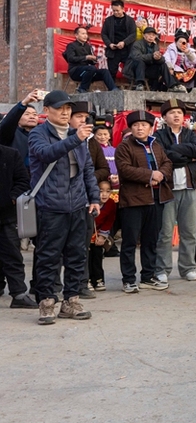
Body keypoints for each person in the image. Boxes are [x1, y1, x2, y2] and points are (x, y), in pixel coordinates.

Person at [27, 90, 100, 325]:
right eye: (60, 108)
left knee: (77, 255)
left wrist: (94, 197)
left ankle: (71, 301)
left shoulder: (76, 135)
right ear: (46, 111)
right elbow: (46, 155)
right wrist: (75, 139)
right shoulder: (38, 134)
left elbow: (87, 169)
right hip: (50, 206)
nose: (66, 112)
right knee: (48, 257)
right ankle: (47, 303)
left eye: (68, 108)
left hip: (77, 205)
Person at [115, 110, 172, 294]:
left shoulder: (156, 145)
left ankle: (147, 276)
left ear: (150, 127)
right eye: (136, 125)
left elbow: (167, 163)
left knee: (151, 240)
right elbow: (124, 169)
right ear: (131, 128)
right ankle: (129, 279)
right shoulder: (124, 147)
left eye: (144, 125)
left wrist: (161, 174)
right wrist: (150, 175)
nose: (140, 128)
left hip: (156, 199)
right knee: (130, 241)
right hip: (133, 200)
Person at [154, 99, 196, 282]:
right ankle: (162, 269)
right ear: (164, 117)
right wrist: (185, 156)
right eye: (172, 113)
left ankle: (187, 267)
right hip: (168, 189)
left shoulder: (191, 134)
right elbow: (161, 154)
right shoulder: (159, 135)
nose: (176, 116)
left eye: (180, 113)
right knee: (165, 232)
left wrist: (175, 151)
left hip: (189, 188)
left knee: (189, 231)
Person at [72, 101, 108, 300]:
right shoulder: (60, 138)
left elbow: (104, 169)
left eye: (85, 117)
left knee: (83, 244)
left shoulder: (92, 142)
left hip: (86, 199)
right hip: (60, 200)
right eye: (78, 116)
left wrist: (87, 176)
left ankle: (82, 282)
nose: (83, 121)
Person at [0, 141, 35, 308]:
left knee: (12, 256)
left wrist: (12, 197)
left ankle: (19, 294)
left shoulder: (10, 154)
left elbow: (23, 180)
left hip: (6, 216)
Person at [63, 26, 118, 93]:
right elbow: (71, 58)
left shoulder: (87, 46)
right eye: (83, 34)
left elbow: (90, 62)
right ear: (76, 35)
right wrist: (86, 57)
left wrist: (94, 60)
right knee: (91, 68)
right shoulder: (71, 45)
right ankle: (82, 88)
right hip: (76, 71)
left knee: (104, 71)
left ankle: (114, 89)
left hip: (88, 72)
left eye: (86, 34)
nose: (85, 36)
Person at [0, 89, 41, 169]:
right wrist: (23, 103)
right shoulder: (11, 134)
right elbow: (7, 123)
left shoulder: (42, 134)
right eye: (27, 114)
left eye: (35, 114)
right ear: (18, 118)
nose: (32, 116)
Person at [88, 180, 117, 292]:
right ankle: (88, 280)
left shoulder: (111, 204)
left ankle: (99, 280)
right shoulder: (90, 203)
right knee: (87, 258)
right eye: (101, 191)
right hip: (88, 233)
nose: (104, 194)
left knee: (97, 257)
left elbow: (110, 221)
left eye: (107, 191)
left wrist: (102, 236)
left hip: (99, 234)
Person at [126, 27, 174, 91]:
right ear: (143, 35)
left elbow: (161, 59)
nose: (151, 37)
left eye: (153, 35)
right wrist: (152, 56)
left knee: (162, 64)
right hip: (135, 69)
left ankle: (172, 85)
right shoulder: (137, 44)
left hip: (148, 70)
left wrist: (159, 58)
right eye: (149, 34)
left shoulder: (155, 46)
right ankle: (140, 84)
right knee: (140, 62)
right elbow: (136, 57)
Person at [101, 0, 138, 81]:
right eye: (113, 11)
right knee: (112, 71)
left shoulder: (130, 20)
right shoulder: (108, 20)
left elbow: (133, 34)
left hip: (127, 49)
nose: (115, 12)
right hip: (113, 50)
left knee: (129, 70)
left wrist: (124, 42)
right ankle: (111, 88)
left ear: (123, 9)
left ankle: (131, 88)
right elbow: (104, 34)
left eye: (117, 10)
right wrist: (109, 44)